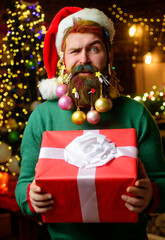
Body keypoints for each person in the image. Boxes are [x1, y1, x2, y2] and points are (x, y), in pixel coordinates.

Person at [15, 6, 165, 240]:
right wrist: (30, 197)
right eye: (74, 51)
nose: (84, 59)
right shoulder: (42, 117)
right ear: (64, 59)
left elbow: (161, 183)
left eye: (93, 48)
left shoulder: (136, 113)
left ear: (108, 55)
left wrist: (152, 194)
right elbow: (23, 185)